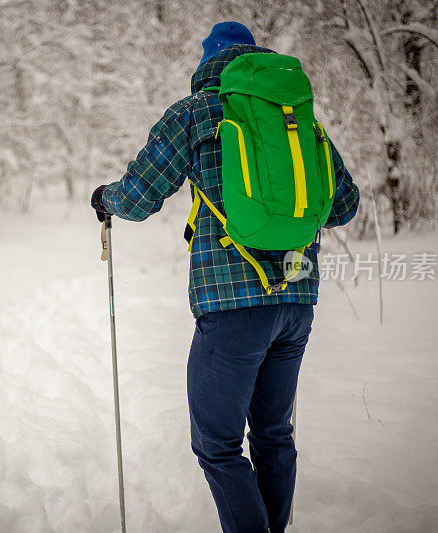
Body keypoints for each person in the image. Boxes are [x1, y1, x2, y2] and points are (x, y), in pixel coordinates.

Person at [90, 21, 359, 533]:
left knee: (216, 444)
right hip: (297, 301)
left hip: (231, 304)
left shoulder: (194, 113)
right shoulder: (298, 119)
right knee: (274, 434)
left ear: (207, 62)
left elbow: (140, 196)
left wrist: (106, 198)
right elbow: (343, 205)